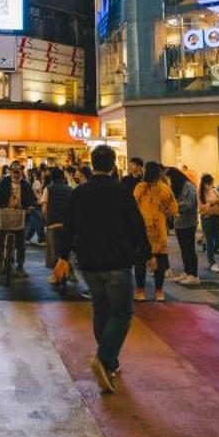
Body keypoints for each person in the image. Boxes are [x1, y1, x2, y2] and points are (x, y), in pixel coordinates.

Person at [53, 144, 144, 392]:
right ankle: (104, 358)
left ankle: (110, 363)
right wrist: (145, 254)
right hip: (117, 260)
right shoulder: (122, 191)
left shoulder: (79, 193)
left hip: (88, 262)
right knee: (122, 313)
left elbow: (68, 227)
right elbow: (136, 225)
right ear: (114, 165)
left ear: (92, 165)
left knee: (101, 310)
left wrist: (62, 257)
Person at [133, 161, 176, 302]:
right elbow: (174, 209)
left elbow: (133, 206)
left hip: (142, 228)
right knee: (160, 260)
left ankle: (140, 291)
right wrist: (165, 212)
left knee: (140, 261)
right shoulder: (165, 188)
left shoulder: (140, 187)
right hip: (159, 228)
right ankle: (159, 292)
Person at [43, 165, 77, 294]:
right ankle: (70, 273)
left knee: (54, 251)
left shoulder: (48, 189)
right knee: (66, 250)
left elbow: (44, 209)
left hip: (53, 224)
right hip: (68, 225)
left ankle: (56, 275)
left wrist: (46, 221)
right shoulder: (70, 189)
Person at [168, 166, 200, 284]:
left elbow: (188, 203)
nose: (170, 182)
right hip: (180, 222)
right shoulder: (180, 186)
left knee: (189, 249)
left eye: (171, 179)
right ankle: (187, 272)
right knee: (184, 249)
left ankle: (194, 275)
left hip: (189, 222)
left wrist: (173, 206)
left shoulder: (189, 186)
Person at [197, 173, 219, 274]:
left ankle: (209, 254)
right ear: (204, 184)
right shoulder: (199, 193)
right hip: (206, 218)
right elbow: (201, 208)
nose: (210, 186)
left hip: (216, 217)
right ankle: (212, 262)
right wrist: (212, 203)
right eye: (209, 184)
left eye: (211, 183)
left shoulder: (214, 190)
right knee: (209, 240)